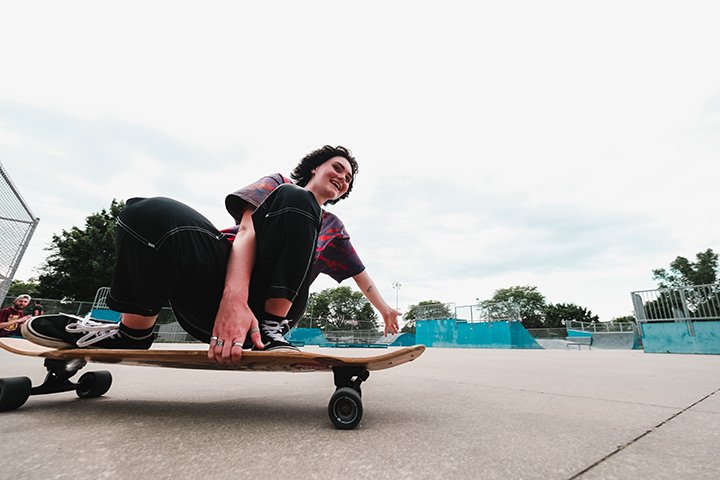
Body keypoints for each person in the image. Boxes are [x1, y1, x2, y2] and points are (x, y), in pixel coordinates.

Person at [23, 146, 400, 364]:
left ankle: (270, 327)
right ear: (316, 166)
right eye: (338, 168)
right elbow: (248, 230)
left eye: (348, 179)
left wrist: (385, 310)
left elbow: (360, 276)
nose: (342, 177)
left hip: (273, 309)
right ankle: (131, 332)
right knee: (145, 211)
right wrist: (232, 298)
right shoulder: (278, 185)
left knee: (300, 203)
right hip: (216, 296)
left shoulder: (332, 226)